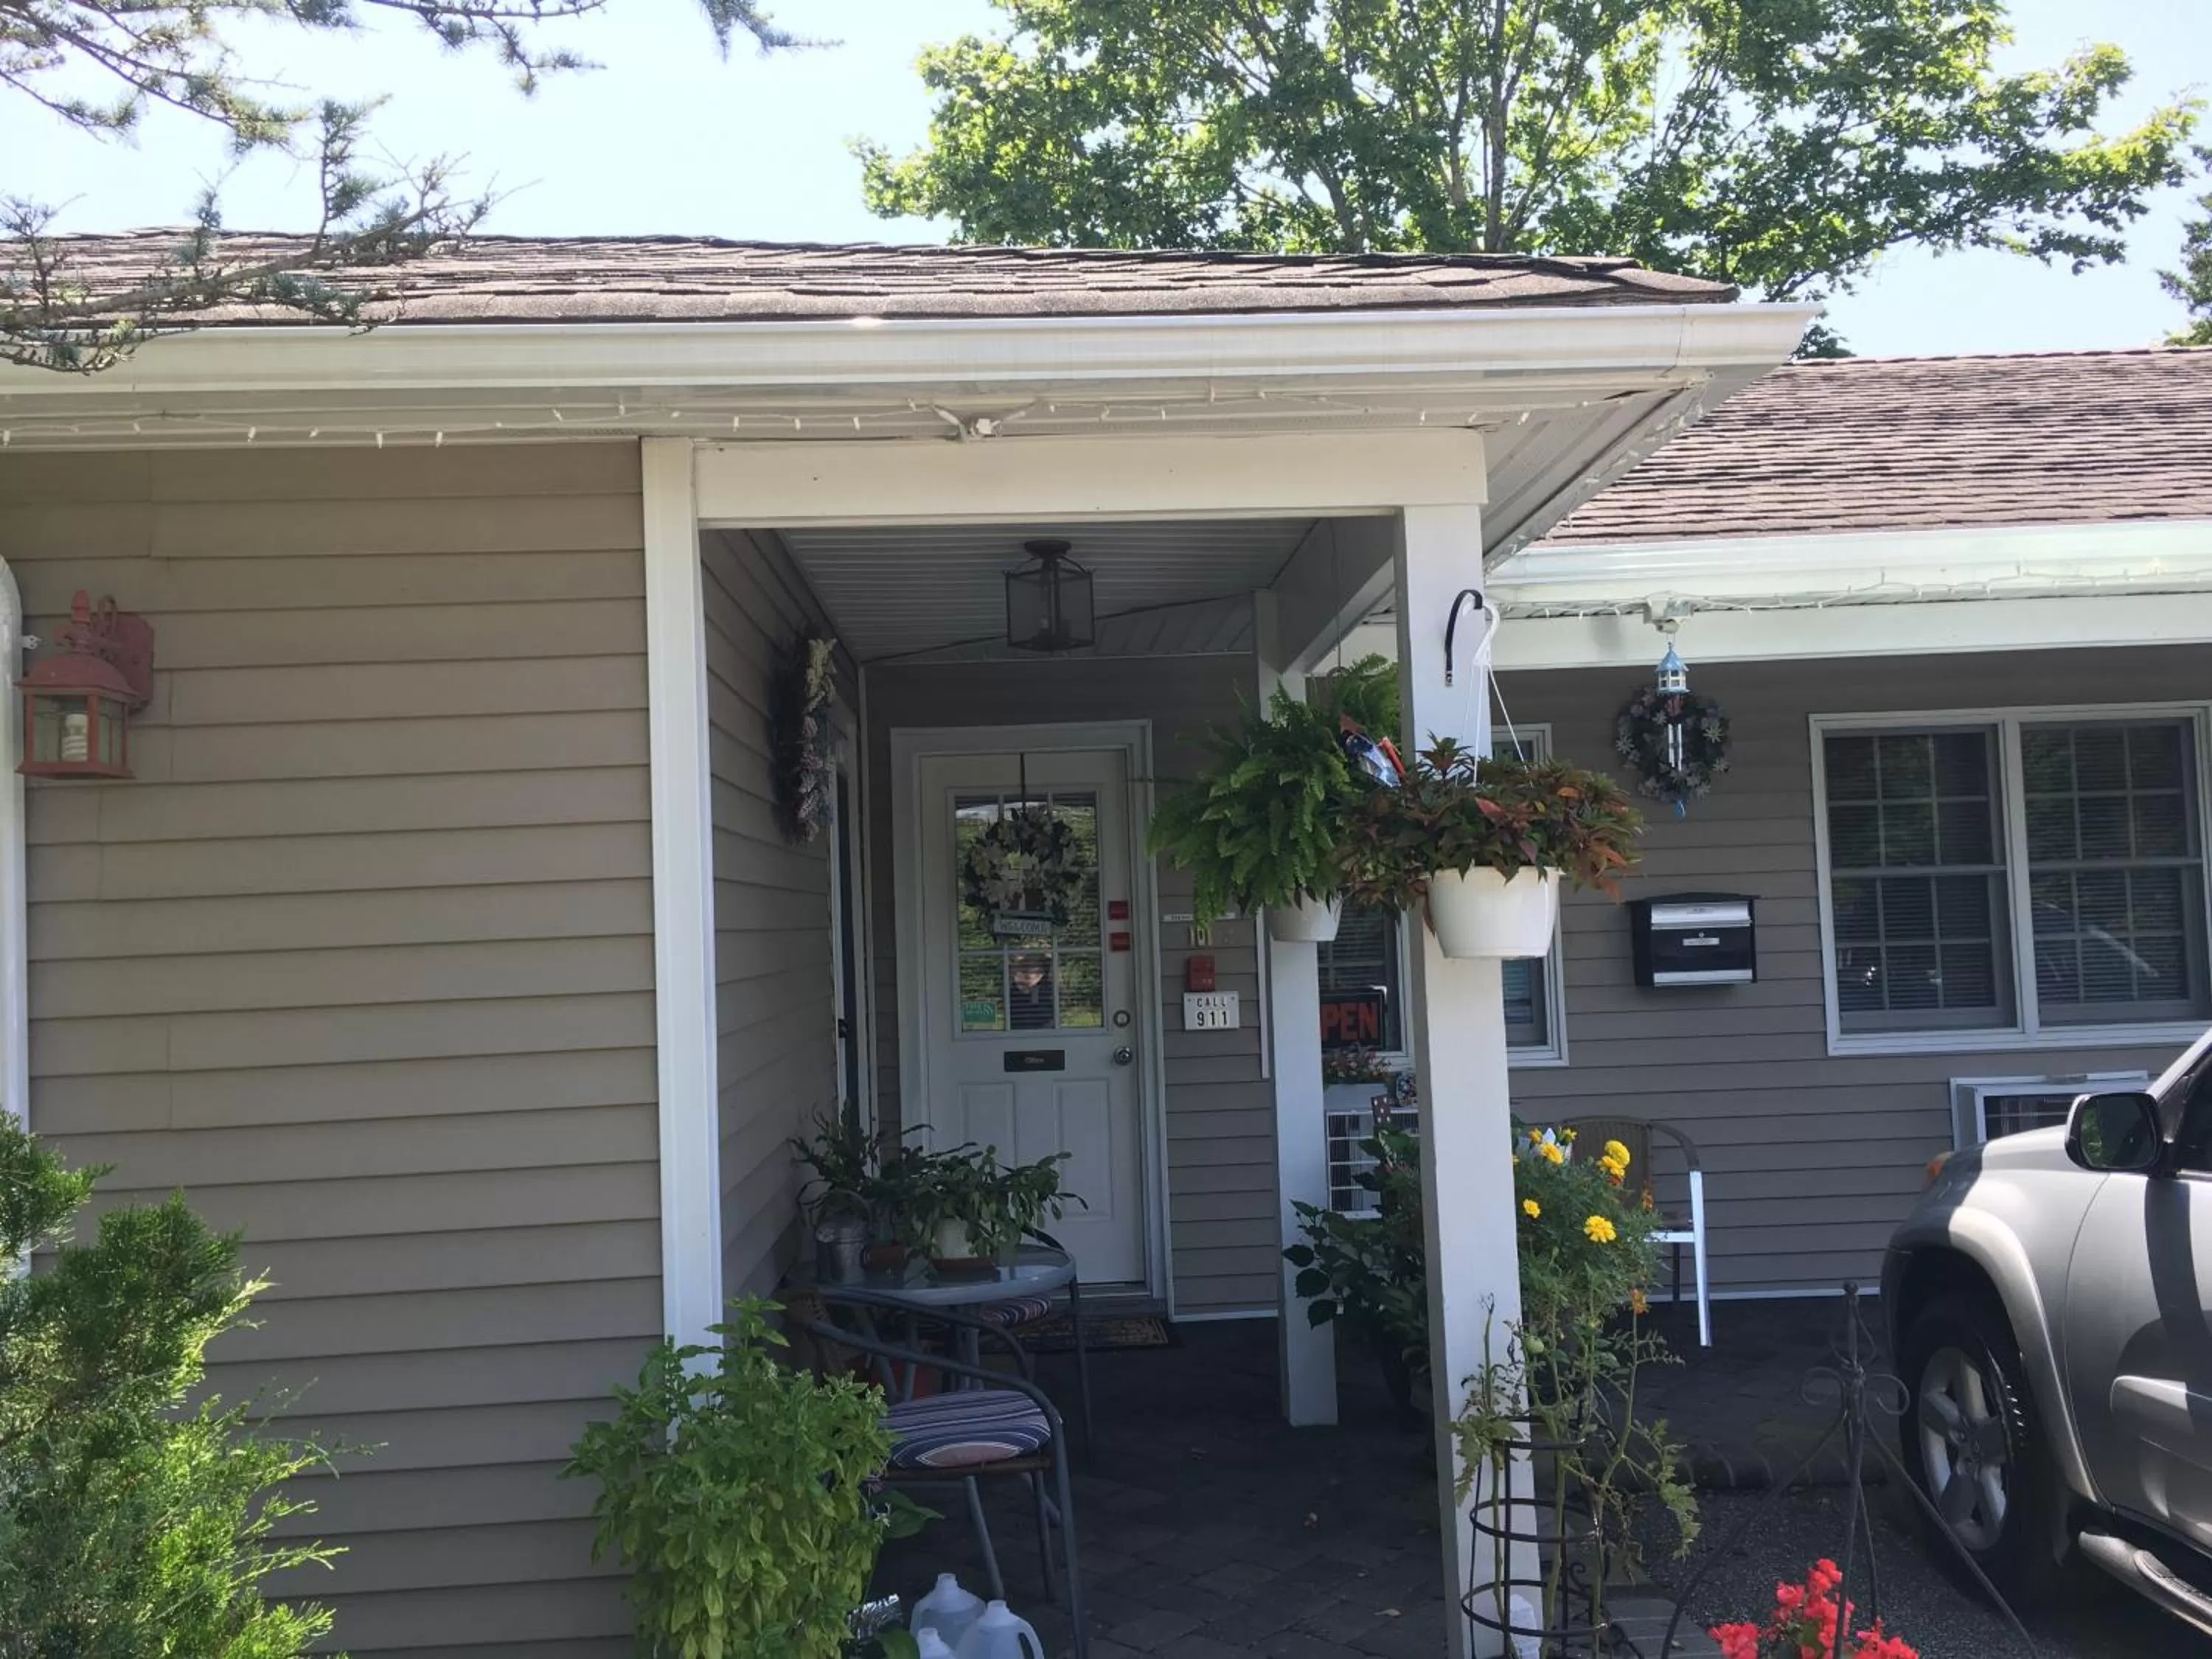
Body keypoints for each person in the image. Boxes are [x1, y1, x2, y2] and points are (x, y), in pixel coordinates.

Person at [1008, 952, 1055, 1030]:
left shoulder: (1046, 987)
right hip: (1018, 1029)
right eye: (1025, 967)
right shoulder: (1013, 989)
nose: (1028, 973)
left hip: (1043, 1028)